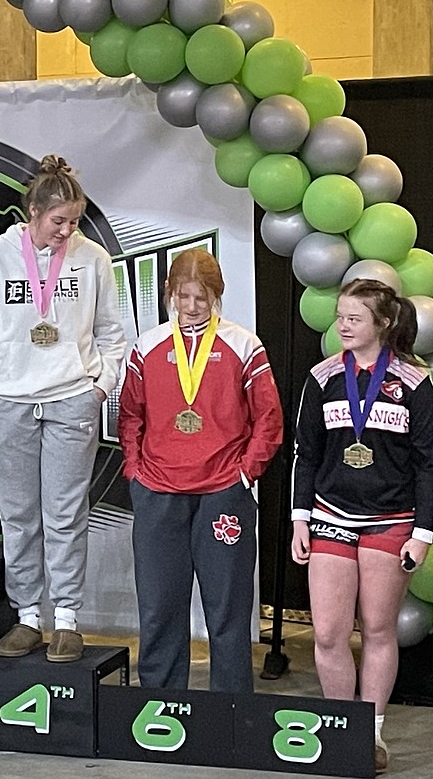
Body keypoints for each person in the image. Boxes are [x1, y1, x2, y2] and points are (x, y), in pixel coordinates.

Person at [0, 155, 126, 662]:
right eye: (58, 221)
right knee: (18, 514)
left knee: (66, 511)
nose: (67, 230)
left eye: (74, 221)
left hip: (71, 398)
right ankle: (28, 615)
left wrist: (99, 386)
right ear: (32, 211)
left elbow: (111, 333)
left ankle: (67, 619)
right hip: (6, 402)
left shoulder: (91, 258)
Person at [291, 278, 433, 774]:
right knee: (330, 633)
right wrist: (299, 519)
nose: (343, 326)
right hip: (330, 516)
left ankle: (371, 736)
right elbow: (305, 455)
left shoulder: (415, 383)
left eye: (354, 318)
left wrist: (422, 534)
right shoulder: (322, 376)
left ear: (384, 323)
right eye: (339, 317)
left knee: (377, 629)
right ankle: (341, 729)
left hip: (392, 521)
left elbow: (428, 465)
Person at [118, 249, 283, 691]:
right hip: (158, 489)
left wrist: (246, 472)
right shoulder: (147, 346)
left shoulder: (244, 345)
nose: (192, 307)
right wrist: (134, 470)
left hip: (223, 490)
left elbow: (268, 418)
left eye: (202, 298)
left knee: (227, 606)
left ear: (217, 296)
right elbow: (130, 414)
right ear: (169, 292)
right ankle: (158, 697)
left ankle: (230, 703)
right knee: (158, 603)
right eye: (184, 296)